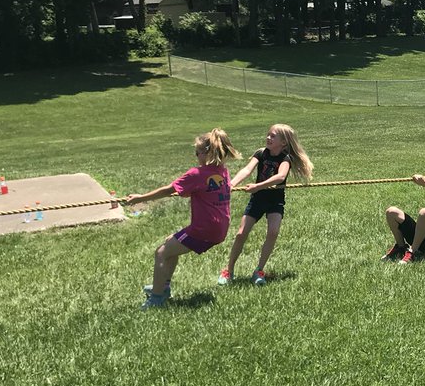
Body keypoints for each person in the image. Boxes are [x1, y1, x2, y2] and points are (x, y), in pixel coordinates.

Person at [126, 128, 240, 309]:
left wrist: (140, 198)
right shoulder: (222, 171)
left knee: (162, 253)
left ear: (207, 153)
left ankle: (157, 298)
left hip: (204, 229)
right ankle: (162, 285)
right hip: (220, 228)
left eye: (197, 152)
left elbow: (169, 189)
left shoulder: (197, 173)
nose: (196, 156)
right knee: (170, 242)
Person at [221, 124, 314, 286]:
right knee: (241, 233)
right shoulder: (261, 153)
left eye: (273, 136)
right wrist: (232, 184)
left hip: (275, 201)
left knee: (273, 232)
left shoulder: (286, 158)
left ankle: (259, 271)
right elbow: (247, 170)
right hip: (258, 200)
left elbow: (280, 176)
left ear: (283, 143)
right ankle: (229, 271)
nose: (268, 138)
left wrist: (257, 186)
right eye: (268, 135)